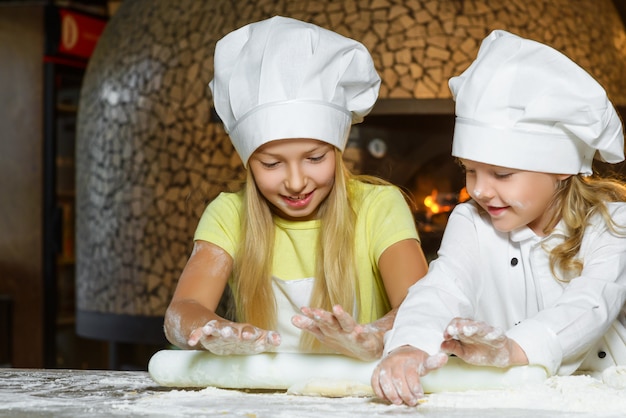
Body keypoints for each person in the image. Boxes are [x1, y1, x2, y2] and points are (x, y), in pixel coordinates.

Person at [371, 29, 626, 406]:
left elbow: (592, 302)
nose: (480, 190)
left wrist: (514, 348)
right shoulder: (471, 221)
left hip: (606, 396)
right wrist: (410, 345)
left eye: (501, 174)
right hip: (512, 397)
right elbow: (443, 286)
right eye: (469, 170)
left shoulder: (613, 223)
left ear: (560, 169)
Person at [163, 16, 429, 361]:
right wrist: (213, 330)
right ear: (248, 164)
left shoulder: (378, 207)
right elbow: (184, 309)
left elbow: (422, 309)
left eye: (315, 158)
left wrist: (374, 336)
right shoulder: (230, 213)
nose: (296, 181)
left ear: (337, 150)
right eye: (272, 164)